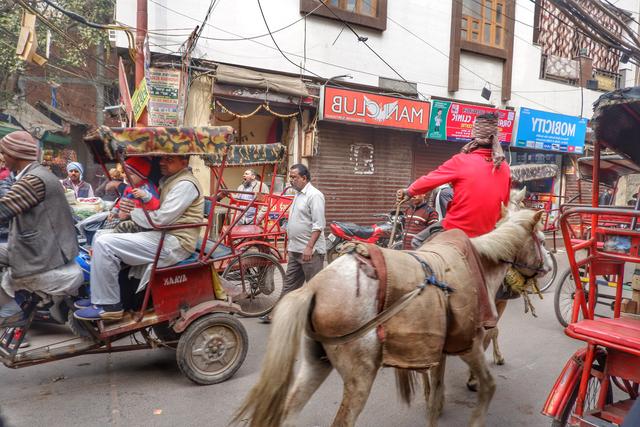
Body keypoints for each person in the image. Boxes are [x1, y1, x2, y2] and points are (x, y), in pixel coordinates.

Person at [74, 155, 204, 321]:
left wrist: (132, 212)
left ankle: (110, 306)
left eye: (169, 160)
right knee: (101, 236)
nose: (162, 162)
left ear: (184, 163)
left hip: (175, 242)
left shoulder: (185, 184)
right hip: (163, 235)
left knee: (105, 244)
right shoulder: (169, 180)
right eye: (162, 159)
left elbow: (160, 219)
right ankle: (99, 298)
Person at [0, 131, 82, 327]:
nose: (2, 157)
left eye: (3, 152)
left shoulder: (33, 180)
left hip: (45, 253)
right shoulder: (31, 175)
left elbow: (3, 210)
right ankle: (9, 308)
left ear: (15, 154)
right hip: (43, 247)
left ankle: (11, 310)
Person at [397, 113, 510, 240]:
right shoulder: (505, 167)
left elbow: (430, 179)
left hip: (457, 229)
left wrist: (409, 191)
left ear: (474, 137)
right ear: (495, 138)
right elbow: (504, 206)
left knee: (417, 241)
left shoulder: (461, 161)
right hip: (488, 235)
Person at [259, 163, 325, 323]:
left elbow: (318, 225)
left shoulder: (314, 195)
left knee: (314, 287)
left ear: (304, 178)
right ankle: (277, 314)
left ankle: (320, 320)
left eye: (294, 177)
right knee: (289, 286)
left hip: (310, 252)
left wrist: (309, 247)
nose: (291, 180)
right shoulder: (297, 194)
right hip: (295, 250)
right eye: (290, 177)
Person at [105, 157, 160, 233]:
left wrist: (146, 196)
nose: (125, 176)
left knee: (123, 227)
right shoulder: (129, 186)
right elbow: (123, 199)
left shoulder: (148, 189)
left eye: (130, 174)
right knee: (107, 222)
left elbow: (156, 206)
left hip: (141, 221)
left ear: (141, 175)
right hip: (125, 215)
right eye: (124, 173)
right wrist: (114, 211)